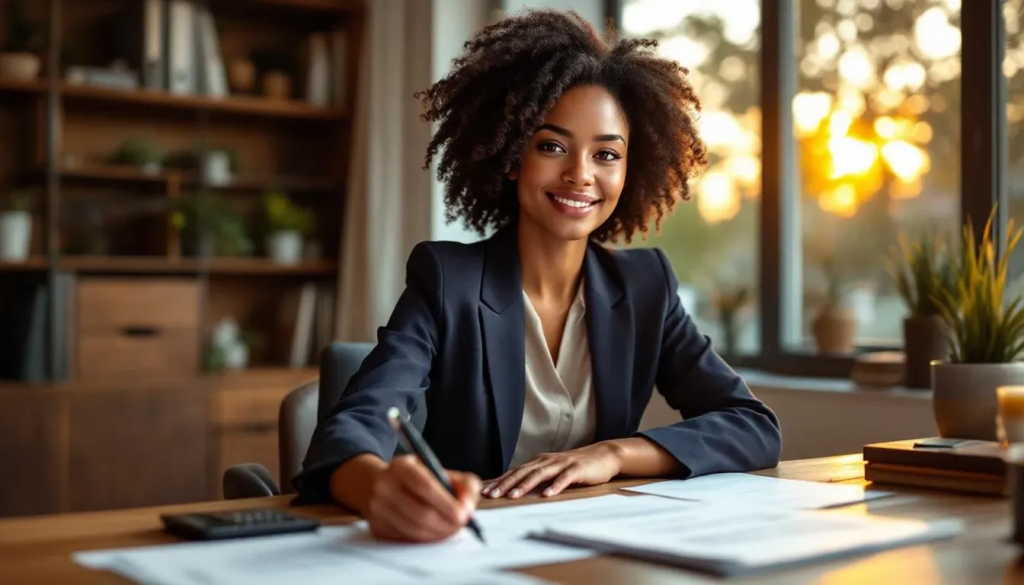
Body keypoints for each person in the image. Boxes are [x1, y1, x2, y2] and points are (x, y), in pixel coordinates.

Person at [295, 8, 782, 543]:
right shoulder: (448, 281)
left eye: (606, 154)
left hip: (594, 549)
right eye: (552, 146)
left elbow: (752, 426)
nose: (580, 174)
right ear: (511, 158)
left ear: (628, 171)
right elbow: (351, 428)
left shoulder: (645, 286)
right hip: (466, 548)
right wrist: (378, 487)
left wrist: (615, 454)